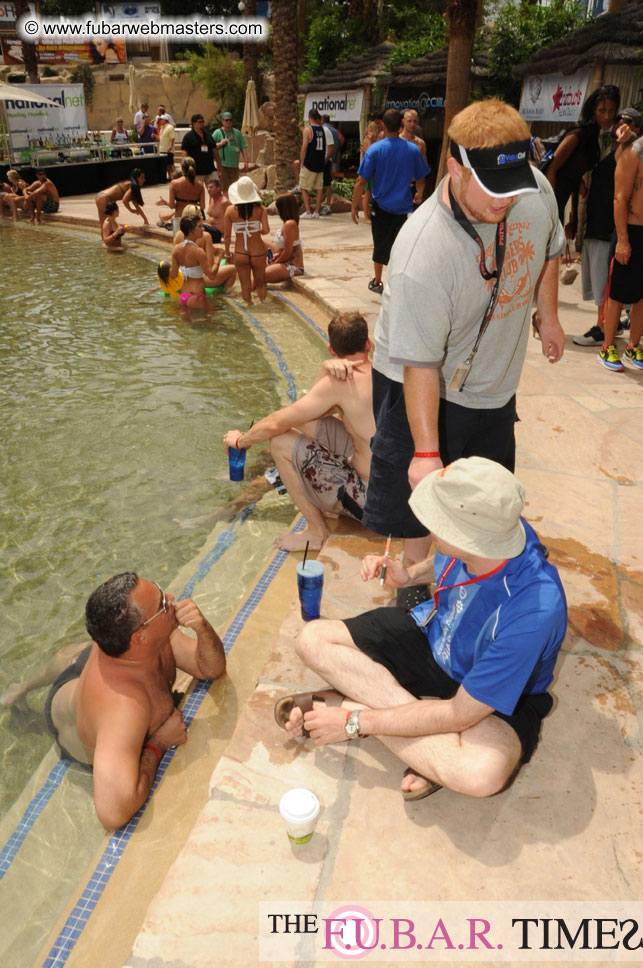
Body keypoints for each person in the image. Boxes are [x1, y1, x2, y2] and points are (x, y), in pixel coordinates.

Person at [359, 99, 565, 606]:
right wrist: (427, 453)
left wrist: (550, 314)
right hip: (420, 373)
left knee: (479, 496)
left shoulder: (532, 190)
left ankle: (466, 581)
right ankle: (415, 584)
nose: (506, 203)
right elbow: (421, 362)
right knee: (421, 495)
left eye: (514, 186)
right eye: (494, 191)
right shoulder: (420, 252)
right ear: (455, 168)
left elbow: (552, 248)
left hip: (491, 378)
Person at [274, 457, 567, 801]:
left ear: (471, 539)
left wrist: (356, 721)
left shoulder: (533, 612)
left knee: (479, 775)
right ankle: (426, 745)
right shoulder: (498, 526)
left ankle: (361, 707)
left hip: (495, 695)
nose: (427, 527)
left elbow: (460, 713)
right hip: (433, 636)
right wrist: (409, 576)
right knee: (312, 639)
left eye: (438, 523)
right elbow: (452, 556)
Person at [2, 573, 225, 829]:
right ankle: (24, 688)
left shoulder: (154, 634)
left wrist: (202, 627)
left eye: (162, 592)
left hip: (101, 666)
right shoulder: (123, 709)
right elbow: (113, 813)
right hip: (66, 714)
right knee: (71, 666)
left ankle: (27, 685)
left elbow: (210, 668)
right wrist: (158, 743)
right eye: (163, 602)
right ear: (140, 637)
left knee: (72, 656)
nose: (172, 599)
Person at [223, 313, 374, 552]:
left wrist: (241, 441)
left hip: (372, 501)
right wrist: (326, 371)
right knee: (302, 423)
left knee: (280, 440)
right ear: (368, 343)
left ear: (331, 349)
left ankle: (316, 532)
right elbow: (309, 413)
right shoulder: (379, 372)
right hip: (391, 485)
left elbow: (276, 424)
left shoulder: (341, 383)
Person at [573, 108, 641, 347]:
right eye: (619, 120)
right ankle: (607, 333)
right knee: (606, 289)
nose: (622, 124)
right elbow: (611, 194)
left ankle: (617, 337)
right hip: (605, 226)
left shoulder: (630, 152)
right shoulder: (617, 153)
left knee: (622, 291)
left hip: (612, 229)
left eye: (629, 121)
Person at [351, 108, 429, 294]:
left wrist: (354, 206)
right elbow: (421, 177)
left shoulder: (375, 150)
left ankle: (378, 281)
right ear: (401, 123)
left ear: (383, 125)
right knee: (400, 245)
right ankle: (396, 280)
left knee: (380, 243)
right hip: (403, 208)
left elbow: (361, 180)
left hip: (381, 206)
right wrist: (419, 192)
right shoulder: (413, 149)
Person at [544, 84, 620, 238]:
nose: (607, 116)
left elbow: (571, 170)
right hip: (551, 197)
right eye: (602, 110)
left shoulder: (592, 135)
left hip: (561, 198)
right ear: (593, 110)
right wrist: (550, 208)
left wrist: (581, 187)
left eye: (611, 110)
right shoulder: (579, 133)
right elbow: (552, 167)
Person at [597, 124, 643, 371]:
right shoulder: (634, 152)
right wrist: (623, 240)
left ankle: (634, 345)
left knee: (642, 296)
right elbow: (620, 198)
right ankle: (606, 346)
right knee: (617, 294)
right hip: (631, 231)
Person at [223, 175, 270, 304]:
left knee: (245, 287)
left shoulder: (229, 211)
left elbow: (226, 235)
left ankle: (249, 306)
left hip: (240, 252)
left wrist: (227, 252)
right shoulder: (260, 210)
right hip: (258, 251)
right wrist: (256, 231)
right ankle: (263, 305)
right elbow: (266, 230)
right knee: (261, 284)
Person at [172, 204, 236, 291]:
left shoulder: (178, 235)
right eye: (200, 215)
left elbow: (175, 266)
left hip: (183, 277)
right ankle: (225, 293)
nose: (202, 217)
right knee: (233, 269)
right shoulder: (205, 236)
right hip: (199, 280)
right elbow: (210, 268)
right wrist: (219, 256)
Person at [170, 214, 211, 309]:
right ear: (191, 230)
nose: (203, 229)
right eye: (199, 226)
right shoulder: (198, 251)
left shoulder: (176, 249)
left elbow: (173, 274)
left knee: (187, 323)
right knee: (209, 320)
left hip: (184, 295)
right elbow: (211, 275)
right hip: (196, 295)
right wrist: (218, 257)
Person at [299, 108, 333, 218]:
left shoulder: (308, 130)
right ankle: (317, 212)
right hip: (320, 163)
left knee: (303, 187)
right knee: (319, 188)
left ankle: (308, 211)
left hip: (309, 163)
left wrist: (302, 161)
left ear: (309, 116)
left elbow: (304, 147)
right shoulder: (323, 130)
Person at [265, 193, 304, 284]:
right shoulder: (286, 223)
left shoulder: (290, 224)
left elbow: (288, 252)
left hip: (293, 266)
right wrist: (277, 256)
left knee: (259, 276)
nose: (276, 210)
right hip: (286, 262)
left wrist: (275, 263)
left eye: (277, 207)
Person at [212, 111, 249, 192]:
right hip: (222, 165)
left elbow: (243, 146)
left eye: (230, 120)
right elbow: (211, 146)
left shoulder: (237, 133)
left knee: (235, 189)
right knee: (224, 188)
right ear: (222, 121)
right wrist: (221, 143)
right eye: (226, 120)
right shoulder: (217, 132)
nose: (229, 122)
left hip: (234, 166)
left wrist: (246, 160)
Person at [167, 157, 205, 235]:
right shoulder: (200, 185)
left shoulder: (174, 183)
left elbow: (171, 205)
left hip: (179, 218)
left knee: (178, 244)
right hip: (194, 218)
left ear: (182, 168)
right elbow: (202, 206)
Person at [181, 114, 221, 182]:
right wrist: (185, 169)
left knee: (216, 189)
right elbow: (184, 154)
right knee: (198, 192)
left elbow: (214, 150)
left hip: (210, 170)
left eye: (203, 122)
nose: (202, 124)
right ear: (194, 123)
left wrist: (219, 164)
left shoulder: (208, 135)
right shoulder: (188, 137)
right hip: (196, 171)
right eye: (200, 122)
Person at [320, 114, 344, 215]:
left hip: (324, 158)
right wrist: (337, 149)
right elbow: (342, 139)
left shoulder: (323, 129)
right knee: (328, 182)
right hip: (332, 158)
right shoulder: (334, 130)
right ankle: (327, 205)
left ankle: (322, 206)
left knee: (322, 183)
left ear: (322, 120)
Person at [204, 175, 229, 242]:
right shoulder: (211, 199)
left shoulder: (225, 202)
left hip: (217, 234)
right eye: (208, 187)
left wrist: (227, 236)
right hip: (209, 231)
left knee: (198, 227)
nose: (208, 189)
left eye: (211, 187)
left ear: (218, 188)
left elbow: (231, 219)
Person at [155, 114, 176, 181]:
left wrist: (170, 146)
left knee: (171, 164)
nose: (160, 121)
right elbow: (160, 138)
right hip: (162, 149)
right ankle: (170, 177)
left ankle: (174, 176)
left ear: (165, 120)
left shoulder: (170, 127)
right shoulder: (161, 128)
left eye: (161, 120)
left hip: (168, 149)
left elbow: (172, 138)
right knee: (166, 165)